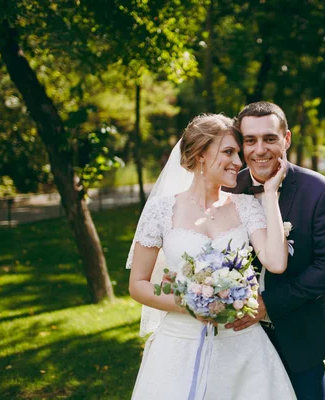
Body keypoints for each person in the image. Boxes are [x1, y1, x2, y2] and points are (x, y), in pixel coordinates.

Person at [126, 114, 296, 400]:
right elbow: (138, 284)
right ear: (200, 155)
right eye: (228, 152)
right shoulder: (161, 210)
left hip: (241, 346)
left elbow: (277, 263)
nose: (239, 162)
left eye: (238, 154)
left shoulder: (246, 206)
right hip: (178, 343)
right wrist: (191, 304)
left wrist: (269, 195)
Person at [224, 102, 325, 400]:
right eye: (250, 140)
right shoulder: (227, 189)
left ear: (287, 139)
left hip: (301, 334)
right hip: (238, 335)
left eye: (270, 138)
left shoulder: (318, 190)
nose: (259, 149)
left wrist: (269, 304)